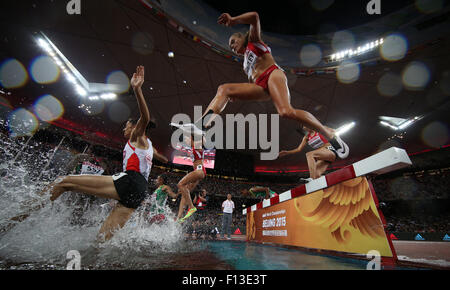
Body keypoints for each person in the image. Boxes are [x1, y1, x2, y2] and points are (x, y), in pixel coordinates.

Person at [180, 11, 349, 160]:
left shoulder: (253, 41)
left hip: (273, 74)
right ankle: (202, 125)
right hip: (261, 85)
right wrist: (238, 94)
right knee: (224, 90)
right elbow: (252, 81)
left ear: (242, 38)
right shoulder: (245, 61)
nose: (231, 46)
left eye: (233, 41)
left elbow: (254, 16)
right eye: (230, 45)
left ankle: (328, 134)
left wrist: (233, 20)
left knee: (285, 112)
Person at [44, 65, 169, 242]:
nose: (124, 129)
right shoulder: (149, 144)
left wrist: (137, 90)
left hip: (130, 180)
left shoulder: (137, 135)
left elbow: (145, 118)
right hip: (140, 190)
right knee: (101, 241)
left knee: (62, 182)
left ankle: (14, 219)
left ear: (134, 127)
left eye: (127, 125)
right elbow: (162, 158)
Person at [175, 135, 207, 223]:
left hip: (200, 171)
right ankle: (179, 217)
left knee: (180, 184)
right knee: (185, 192)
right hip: (198, 171)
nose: (185, 140)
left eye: (186, 138)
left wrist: (195, 131)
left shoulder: (197, 145)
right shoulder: (193, 147)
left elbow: (203, 139)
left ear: (192, 138)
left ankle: (191, 207)